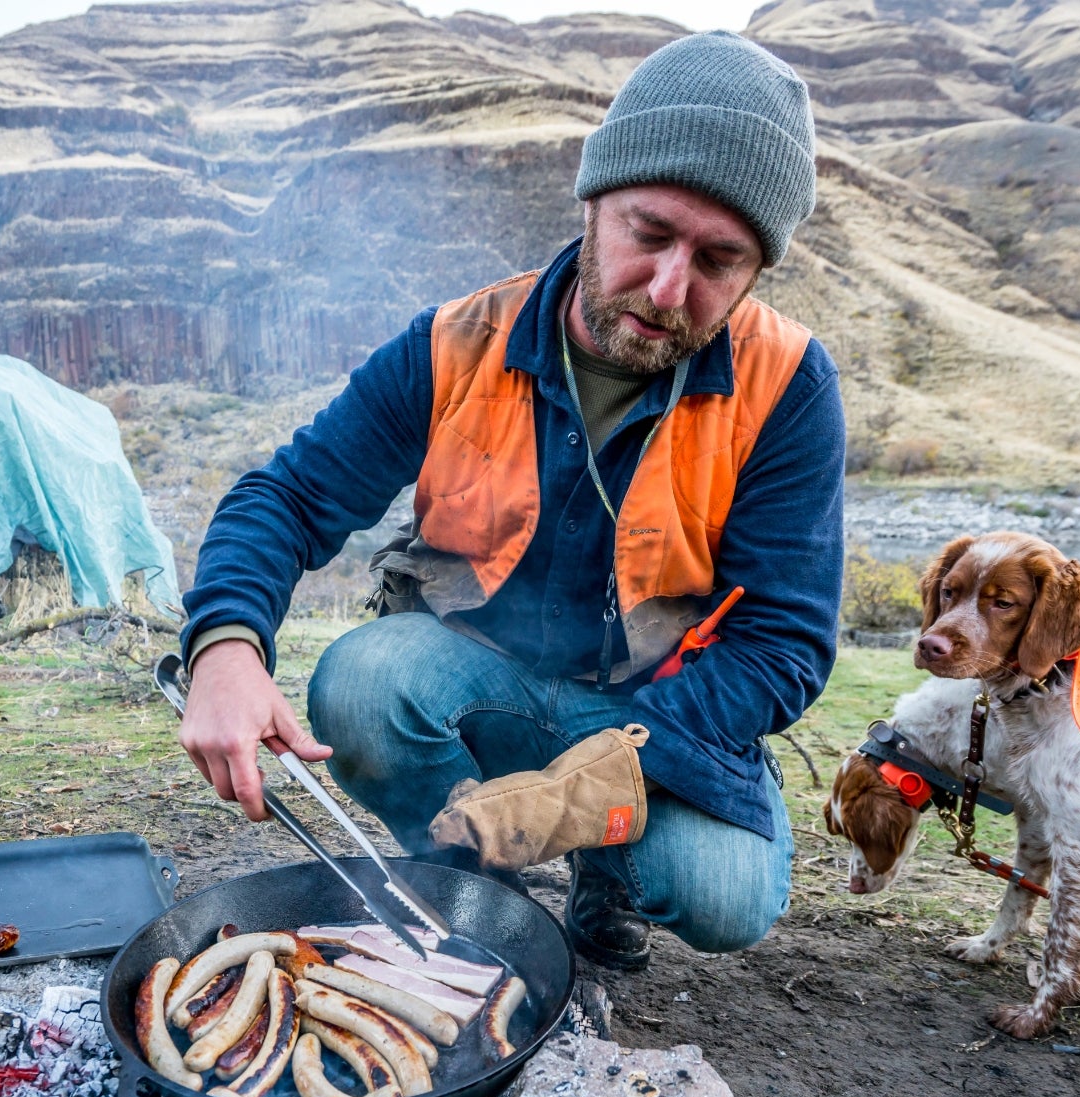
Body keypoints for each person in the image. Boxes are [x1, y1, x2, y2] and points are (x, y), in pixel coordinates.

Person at [178, 31, 845, 971]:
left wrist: (592, 781)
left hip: (660, 714)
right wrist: (224, 649)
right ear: (593, 201)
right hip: (478, 685)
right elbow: (285, 497)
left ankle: (603, 873)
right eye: (647, 234)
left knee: (726, 893)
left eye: (716, 262)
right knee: (363, 684)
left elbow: (784, 646)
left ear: (756, 270)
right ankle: (472, 890)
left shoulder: (789, 386)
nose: (665, 288)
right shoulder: (457, 342)